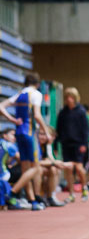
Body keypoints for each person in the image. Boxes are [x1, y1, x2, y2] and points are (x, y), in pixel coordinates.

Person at [0, 72, 52, 210]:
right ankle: (11, 193)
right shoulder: (36, 94)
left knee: (25, 170)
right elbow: (37, 115)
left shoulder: (19, 94)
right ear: (38, 84)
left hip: (18, 133)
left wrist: (11, 120)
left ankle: (33, 201)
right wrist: (46, 132)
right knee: (35, 168)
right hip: (29, 133)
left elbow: (1, 106)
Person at [56, 87, 89, 202]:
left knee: (79, 168)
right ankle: (71, 194)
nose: (69, 99)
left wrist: (84, 144)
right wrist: (56, 144)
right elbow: (58, 129)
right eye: (67, 97)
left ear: (75, 98)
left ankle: (84, 188)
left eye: (71, 97)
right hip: (66, 144)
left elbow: (85, 129)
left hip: (78, 144)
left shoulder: (81, 111)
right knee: (68, 170)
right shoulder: (62, 112)